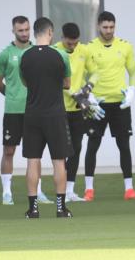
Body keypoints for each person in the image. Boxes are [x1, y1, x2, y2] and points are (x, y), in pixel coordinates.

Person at [84, 11, 135, 201]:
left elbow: (133, 72)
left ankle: (129, 189)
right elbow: (82, 76)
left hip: (120, 104)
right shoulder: (89, 48)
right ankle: (89, 190)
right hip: (98, 104)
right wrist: (89, 97)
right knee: (93, 144)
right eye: (105, 27)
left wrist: (132, 91)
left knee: (124, 145)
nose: (108, 31)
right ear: (98, 27)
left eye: (111, 27)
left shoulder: (125, 46)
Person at [19, 18, 74, 218]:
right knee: (59, 161)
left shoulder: (25, 56)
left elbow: (25, 82)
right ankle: (60, 208)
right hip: (55, 115)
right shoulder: (60, 56)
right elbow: (67, 83)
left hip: (32, 114)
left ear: (34, 33)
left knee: (33, 161)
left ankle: (33, 209)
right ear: (50, 32)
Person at [0, 16, 51, 205]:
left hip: (34, 110)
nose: (25, 33)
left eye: (27, 30)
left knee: (34, 153)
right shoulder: (5, 54)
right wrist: (12, 96)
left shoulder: (37, 52)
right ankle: (6, 193)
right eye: (20, 30)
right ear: (13, 31)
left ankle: (39, 191)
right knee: (9, 150)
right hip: (12, 111)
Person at [53, 23, 100, 202]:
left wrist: (87, 88)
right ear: (62, 37)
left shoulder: (84, 50)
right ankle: (61, 190)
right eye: (69, 43)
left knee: (76, 148)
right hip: (60, 108)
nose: (72, 46)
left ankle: (70, 190)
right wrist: (74, 94)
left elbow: (96, 73)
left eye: (75, 43)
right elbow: (55, 80)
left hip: (78, 109)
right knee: (61, 150)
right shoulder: (55, 51)